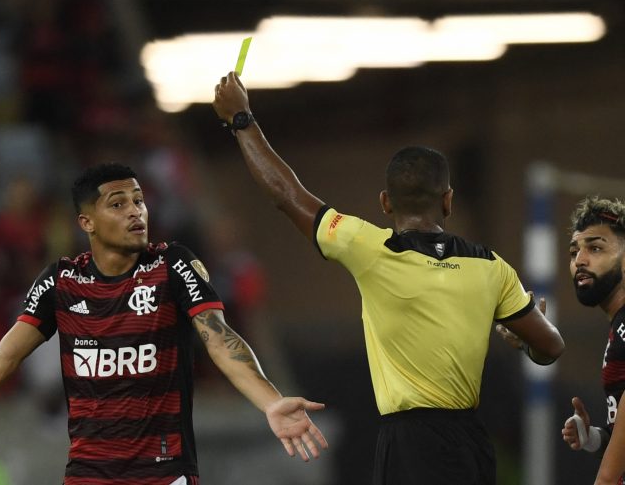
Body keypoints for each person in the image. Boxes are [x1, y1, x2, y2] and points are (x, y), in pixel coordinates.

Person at [0, 162, 328, 484]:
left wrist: (269, 401)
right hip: (89, 476)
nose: (135, 211)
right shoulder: (61, 281)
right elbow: (1, 359)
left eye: (139, 200)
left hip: (163, 474)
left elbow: (220, 338)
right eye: (118, 203)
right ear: (86, 220)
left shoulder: (171, 266)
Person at [212, 71, 565, 485]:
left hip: (409, 443)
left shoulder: (370, 248)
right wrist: (522, 339)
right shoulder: (491, 266)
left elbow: (285, 194)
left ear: (384, 202)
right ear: (448, 201)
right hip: (471, 440)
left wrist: (242, 121)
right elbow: (551, 346)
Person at [560, 197, 625, 485]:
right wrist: (594, 438)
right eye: (574, 251)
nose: (579, 261)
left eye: (595, 248)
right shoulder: (618, 327)